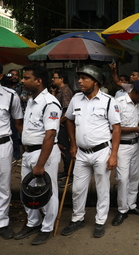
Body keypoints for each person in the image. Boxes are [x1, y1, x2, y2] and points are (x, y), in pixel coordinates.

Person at [60, 65, 121, 238]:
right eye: (79, 78)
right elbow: (69, 121)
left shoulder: (108, 101)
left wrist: (113, 155)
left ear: (95, 82)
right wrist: (73, 144)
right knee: (78, 189)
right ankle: (77, 219)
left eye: (84, 78)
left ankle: (100, 221)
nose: (79, 81)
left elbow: (116, 128)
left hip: (101, 152)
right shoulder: (76, 99)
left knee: (102, 189)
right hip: (81, 153)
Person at [14, 64, 62, 245]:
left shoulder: (50, 103)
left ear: (38, 81)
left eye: (26, 78)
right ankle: (33, 222)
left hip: (43, 154)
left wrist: (40, 164)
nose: (22, 81)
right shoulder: (32, 100)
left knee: (47, 191)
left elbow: (50, 135)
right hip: (28, 153)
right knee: (28, 191)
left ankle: (47, 227)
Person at [112, 80, 139, 226]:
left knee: (134, 176)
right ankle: (122, 210)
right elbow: (113, 128)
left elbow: (138, 122)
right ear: (136, 93)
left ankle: (132, 205)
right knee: (122, 178)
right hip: (122, 146)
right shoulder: (118, 103)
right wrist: (136, 129)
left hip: (135, 145)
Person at [0, 64, 23, 240]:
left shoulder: (10, 96)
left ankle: (2, 222)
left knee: (3, 186)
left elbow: (18, 123)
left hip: (3, 145)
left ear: (0, 76)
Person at [51, 70, 74, 188]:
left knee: (65, 149)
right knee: (63, 149)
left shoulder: (65, 91)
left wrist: (58, 123)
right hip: (60, 125)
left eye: (55, 78)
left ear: (61, 79)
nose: (53, 80)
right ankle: (66, 171)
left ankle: (70, 175)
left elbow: (67, 111)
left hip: (64, 126)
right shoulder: (60, 91)